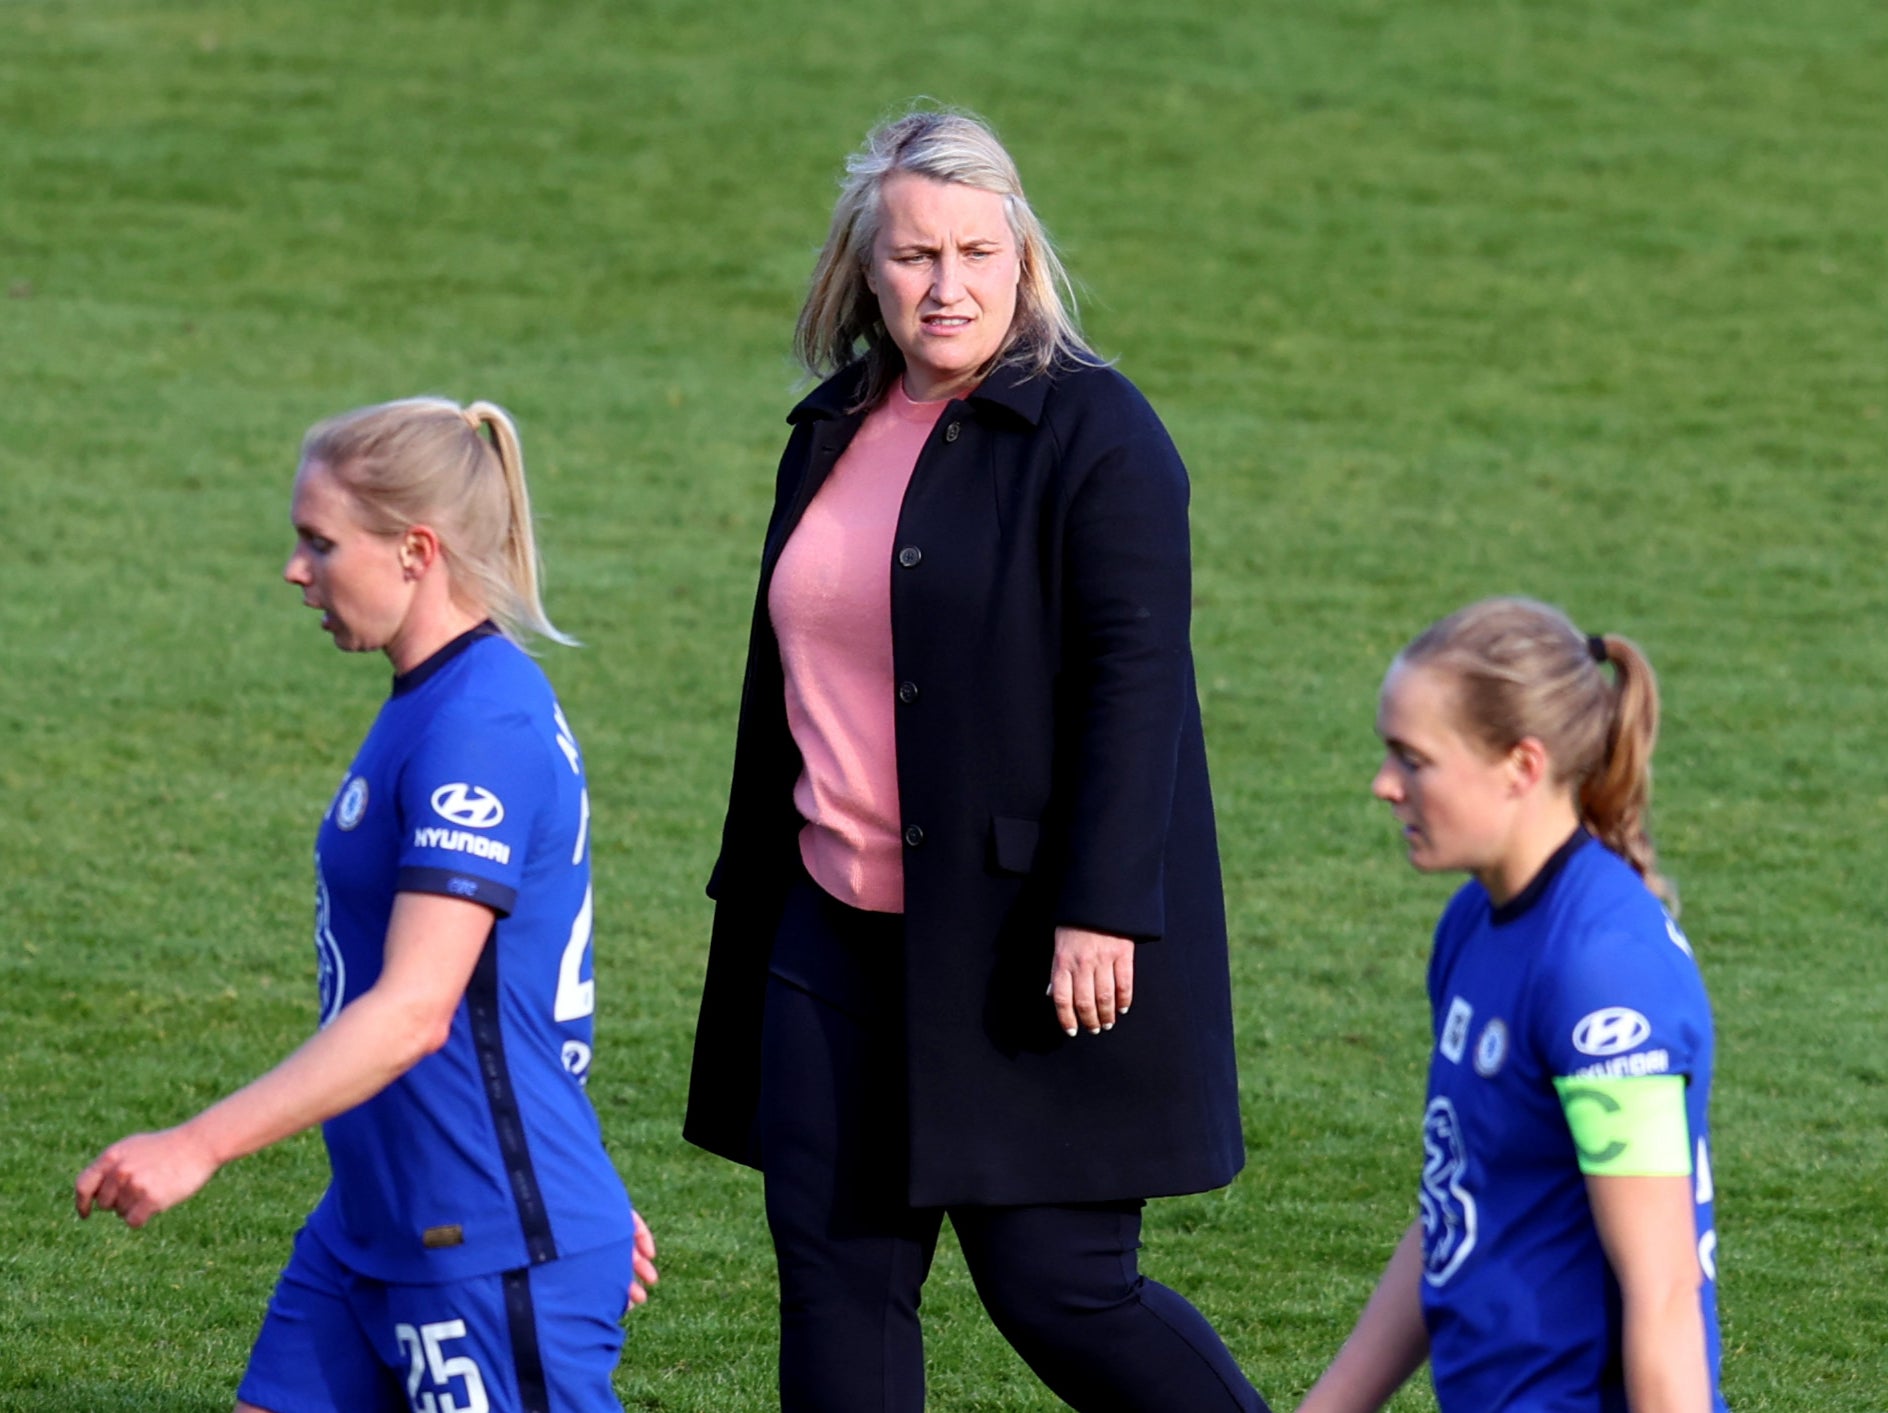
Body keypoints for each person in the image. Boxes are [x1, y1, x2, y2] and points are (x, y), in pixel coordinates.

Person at [683, 108, 1267, 1412]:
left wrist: (1102, 906)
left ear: (1022, 258)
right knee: (837, 1282)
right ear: (862, 268)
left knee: (1058, 1284)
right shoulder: (832, 424)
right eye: (911, 257)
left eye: (974, 252)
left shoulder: (1099, 435)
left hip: (1019, 941)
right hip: (825, 934)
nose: (945, 286)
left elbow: (1138, 684)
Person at [75, 397, 657, 1413]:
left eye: (319, 542)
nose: (295, 570)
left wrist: (195, 1145)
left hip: (477, 1239)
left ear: (414, 550)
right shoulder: (433, 702)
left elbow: (416, 1011)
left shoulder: (476, 730)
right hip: (377, 1220)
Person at [1297, 597, 1727, 1413]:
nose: (1384, 785)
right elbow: (1454, 1202)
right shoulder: (1474, 923)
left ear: (1522, 766)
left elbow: (1665, 1289)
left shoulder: (1602, 973)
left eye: (1413, 759)